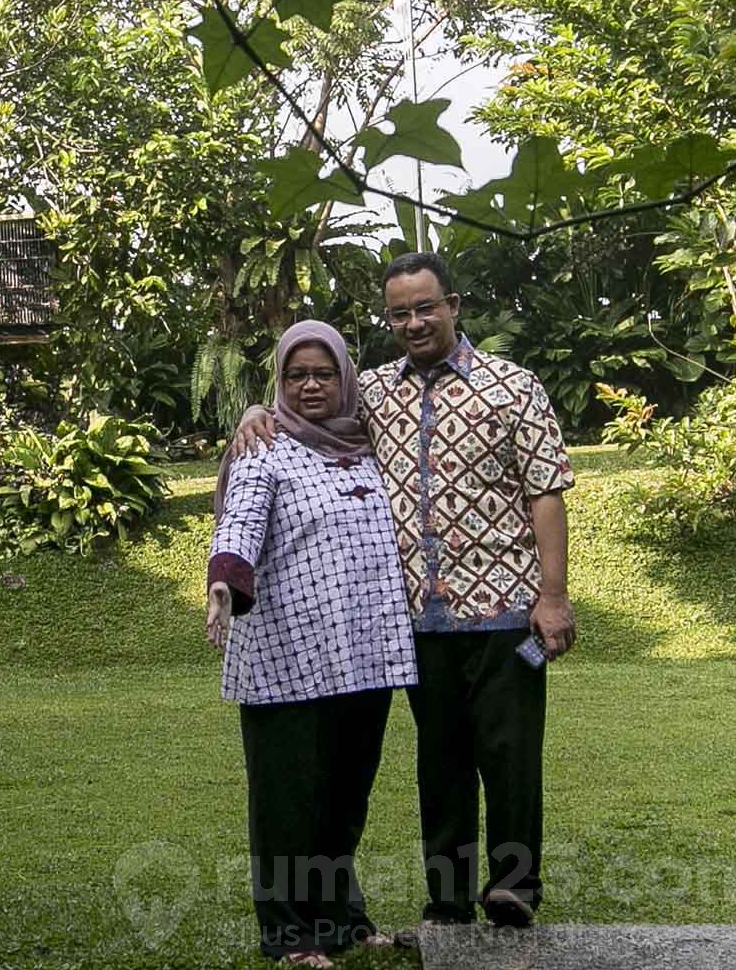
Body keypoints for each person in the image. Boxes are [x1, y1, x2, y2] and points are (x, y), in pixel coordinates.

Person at [234, 254, 574, 928]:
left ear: (453, 304)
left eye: (425, 307)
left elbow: (546, 493)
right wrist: (253, 410)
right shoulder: (377, 393)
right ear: (388, 319)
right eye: (399, 313)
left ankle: (514, 887)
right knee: (439, 766)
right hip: (417, 619)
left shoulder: (513, 387)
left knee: (509, 758)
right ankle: (447, 899)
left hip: (504, 608)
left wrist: (554, 595)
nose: (414, 322)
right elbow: (313, 410)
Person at [207, 321, 416, 964]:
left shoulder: (371, 443)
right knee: (286, 799)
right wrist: (224, 582)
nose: (310, 386)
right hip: (285, 657)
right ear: (279, 382)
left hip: (366, 654)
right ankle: (288, 932)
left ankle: (342, 922)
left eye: (323, 373)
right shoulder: (263, 447)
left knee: (344, 796)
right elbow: (240, 517)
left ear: (345, 377)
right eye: (295, 375)